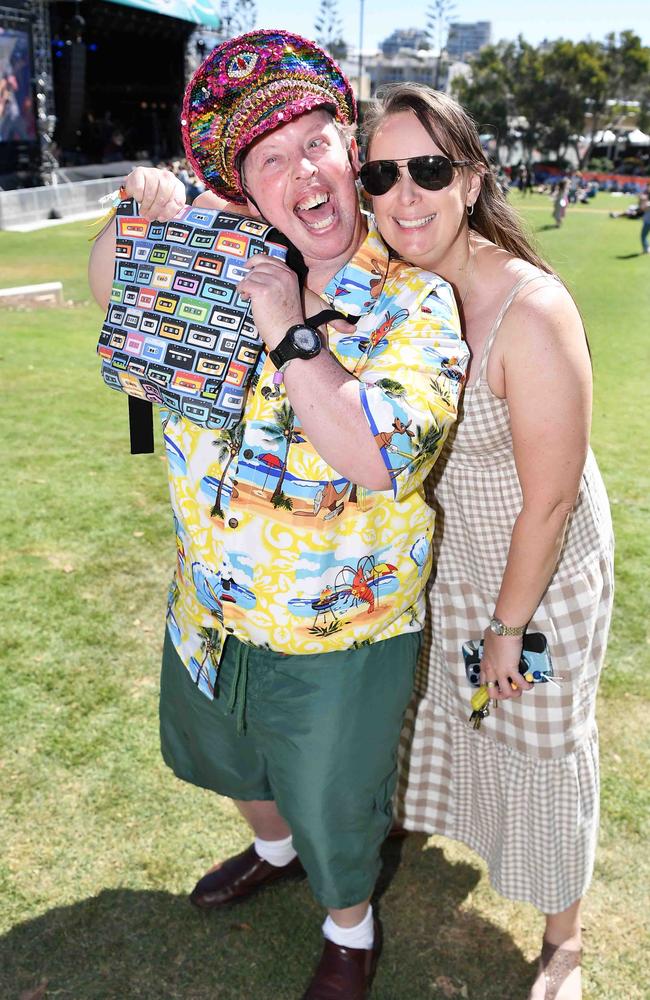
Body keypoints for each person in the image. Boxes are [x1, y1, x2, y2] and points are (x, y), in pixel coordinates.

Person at [88, 32, 468, 1000]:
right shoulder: (214, 259)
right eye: (267, 158)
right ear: (245, 193)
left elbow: (377, 456)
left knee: (335, 801)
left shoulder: (411, 301)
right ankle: (274, 851)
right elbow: (107, 290)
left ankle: (349, 927)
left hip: (338, 624)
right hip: (209, 603)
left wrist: (286, 326)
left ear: (350, 155)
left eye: (313, 143)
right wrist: (137, 209)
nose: (300, 169)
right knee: (224, 755)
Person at [360, 83, 614, 1000]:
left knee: (539, 736)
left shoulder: (530, 311)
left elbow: (548, 504)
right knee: (439, 712)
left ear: (470, 179)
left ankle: (564, 941)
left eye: (427, 169)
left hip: (534, 579)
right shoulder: (390, 285)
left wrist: (508, 628)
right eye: (380, 174)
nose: (403, 195)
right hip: (449, 564)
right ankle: (420, 825)